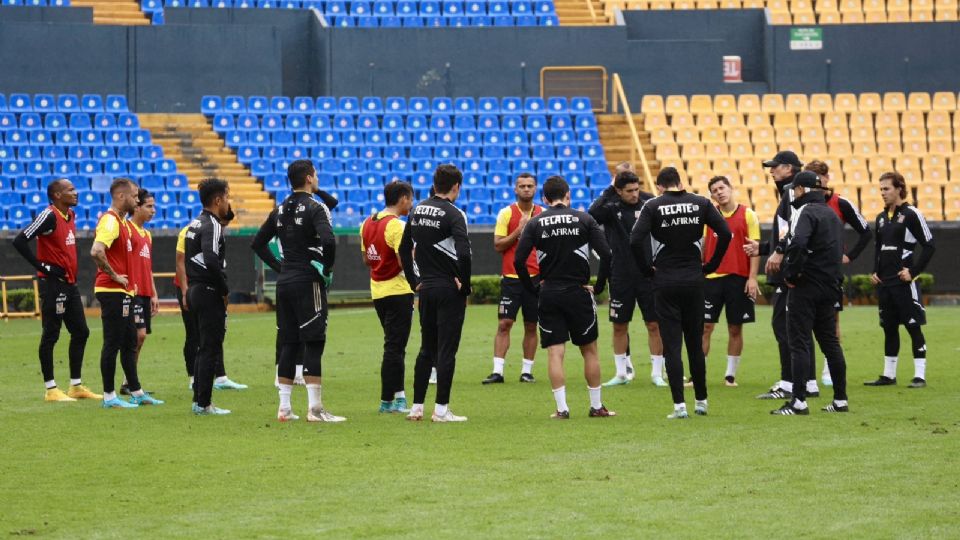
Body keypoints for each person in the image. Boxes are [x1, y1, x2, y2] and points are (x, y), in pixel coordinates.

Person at [630, 167, 731, 419]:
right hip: (694, 280)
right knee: (695, 344)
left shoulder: (653, 206)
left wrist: (647, 270)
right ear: (680, 182)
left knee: (672, 346)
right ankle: (702, 401)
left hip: (664, 281)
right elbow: (726, 233)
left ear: (660, 186)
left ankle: (679, 407)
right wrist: (712, 265)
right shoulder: (700, 203)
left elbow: (634, 240)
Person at [514, 175, 615, 419]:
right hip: (578, 292)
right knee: (589, 350)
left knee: (555, 352)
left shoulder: (536, 223)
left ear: (544, 198)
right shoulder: (585, 219)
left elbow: (519, 260)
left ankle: (561, 409)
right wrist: (599, 286)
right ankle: (596, 406)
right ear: (568, 195)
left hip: (549, 293)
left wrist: (533, 288)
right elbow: (607, 255)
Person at [251, 160, 343, 422]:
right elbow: (328, 240)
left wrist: (280, 267)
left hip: (285, 282)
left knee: (289, 342)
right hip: (308, 281)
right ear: (310, 178)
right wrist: (326, 268)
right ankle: (315, 409)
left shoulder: (279, 209)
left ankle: (284, 408)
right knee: (314, 340)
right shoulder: (316, 207)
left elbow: (257, 243)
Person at [12, 178, 99, 402]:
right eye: (70, 190)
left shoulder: (70, 215)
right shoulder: (48, 215)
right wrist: (42, 266)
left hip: (69, 284)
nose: (76, 192)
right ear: (57, 195)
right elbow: (20, 240)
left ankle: (76, 386)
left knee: (81, 331)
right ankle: (51, 389)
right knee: (51, 334)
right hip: (52, 285)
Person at [770, 171, 849, 415]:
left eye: (795, 189)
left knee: (799, 342)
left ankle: (799, 401)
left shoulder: (805, 211)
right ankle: (840, 400)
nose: (792, 193)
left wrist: (790, 275)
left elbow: (799, 243)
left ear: (802, 190)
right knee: (830, 343)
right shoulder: (831, 214)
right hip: (830, 286)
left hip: (806, 286)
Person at [398, 164, 472, 422]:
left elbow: (404, 248)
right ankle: (441, 409)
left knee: (426, 348)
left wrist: (412, 280)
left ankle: (416, 407)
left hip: (426, 289)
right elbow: (463, 252)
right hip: (449, 289)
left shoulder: (417, 210)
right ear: (456, 187)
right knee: (447, 350)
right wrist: (466, 284)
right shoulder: (455, 214)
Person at [745, 150, 820, 400]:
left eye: (775, 166)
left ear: (789, 168)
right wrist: (765, 248)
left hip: (789, 269)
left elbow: (794, 231)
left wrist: (776, 252)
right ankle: (808, 382)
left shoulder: (791, 191)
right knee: (798, 328)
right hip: (798, 266)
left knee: (785, 326)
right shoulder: (791, 191)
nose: (771, 171)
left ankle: (790, 383)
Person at [90, 178, 163, 408]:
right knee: (112, 342)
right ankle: (109, 396)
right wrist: (115, 275)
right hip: (112, 290)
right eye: (133, 196)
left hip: (123, 292)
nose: (136, 199)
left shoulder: (121, 223)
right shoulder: (110, 222)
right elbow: (96, 251)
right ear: (121, 197)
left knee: (130, 340)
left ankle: (136, 391)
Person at [588, 170, 664, 387]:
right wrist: (610, 188)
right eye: (628, 191)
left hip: (648, 274)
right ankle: (621, 373)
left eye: (636, 189)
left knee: (653, 323)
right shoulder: (611, 208)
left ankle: (657, 373)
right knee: (619, 325)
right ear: (618, 191)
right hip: (620, 274)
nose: (634, 194)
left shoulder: (649, 203)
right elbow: (593, 212)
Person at [803, 160, 872, 387]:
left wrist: (849, 255)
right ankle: (806, 373)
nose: (815, 184)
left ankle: (828, 369)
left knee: (831, 319)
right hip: (806, 270)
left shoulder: (840, 202)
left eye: (818, 179)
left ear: (826, 179)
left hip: (829, 272)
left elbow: (866, 231)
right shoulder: (801, 204)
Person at [865, 171, 935, 389]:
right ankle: (888, 375)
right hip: (885, 283)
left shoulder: (912, 214)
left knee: (913, 327)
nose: (883, 193)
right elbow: (878, 249)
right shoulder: (880, 217)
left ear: (899, 189)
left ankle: (920, 376)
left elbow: (929, 245)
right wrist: (875, 271)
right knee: (889, 328)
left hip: (904, 283)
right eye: (881, 189)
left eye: (886, 189)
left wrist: (912, 272)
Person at [359, 180, 416, 413]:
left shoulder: (367, 222)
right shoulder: (397, 226)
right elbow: (405, 262)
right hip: (399, 291)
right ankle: (386, 401)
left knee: (395, 345)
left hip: (378, 291)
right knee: (394, 347)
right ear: (403, 199)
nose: (411, 204)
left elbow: (366, 259)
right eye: (410, 199)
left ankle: (400, 397)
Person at [482, 172, 542, 385]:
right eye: (522, 186)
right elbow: (498, 245)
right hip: (511, 278)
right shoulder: (506, 213)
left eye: (530, 186)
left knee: (531, 325)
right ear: (515, 189)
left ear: (536, 189)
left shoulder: (543, 214)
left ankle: (527, 371)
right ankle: (497, 371)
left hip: (535, 279)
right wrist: (519, 230)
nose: (526, 189)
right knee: (504, 323)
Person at [700, 176, 760, 387]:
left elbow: (755, 250)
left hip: (738, 278)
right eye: (714, 190)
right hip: (712, 279)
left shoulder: (748, 214)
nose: (719, 192)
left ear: (731, 188)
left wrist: (752, 278)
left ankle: (730, 376)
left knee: (735, 328)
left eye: (722, 187)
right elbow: (701, 246)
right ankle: (698, 374)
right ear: (711, 195)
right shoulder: (708, 216)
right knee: (705, 326)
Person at [175, 218, 247, 393]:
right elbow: (179, 261)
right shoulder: (191, 230)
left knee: (214, 333)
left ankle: (220, 377)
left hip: (206, 288)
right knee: (193, 334)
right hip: (192, 288)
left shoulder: (213, 230)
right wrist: (185, 291)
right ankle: (193, 378)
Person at [184, 178, 233, 415]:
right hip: (207, 291)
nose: (228, 202)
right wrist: (224, 289)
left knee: (204, 346)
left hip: (194, 289)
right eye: (227, 197)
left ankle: (199, 400)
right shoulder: (212, 224)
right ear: (218, 200)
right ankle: (203, 403)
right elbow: (211, 258)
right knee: (210, 347)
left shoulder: (194, 223)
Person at [122, 188, 159, 395]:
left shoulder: (147, 234)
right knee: (139, 335)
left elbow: (148, 267)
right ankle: (130, 382)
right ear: (136, 207)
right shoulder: (126, 229)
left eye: (153, 206)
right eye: (149, 206)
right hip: (132, 292)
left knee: (140, 337)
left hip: (145, 292)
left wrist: (153, 293)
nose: (153, 210)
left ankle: (129, 381)